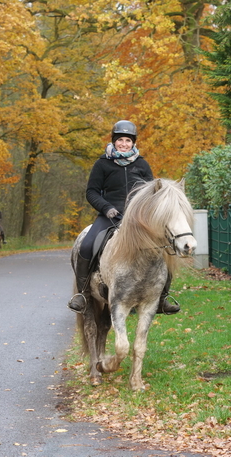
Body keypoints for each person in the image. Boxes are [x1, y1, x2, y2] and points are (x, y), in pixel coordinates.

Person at [67, 120, 180, 315]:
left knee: (164, 248)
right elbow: (92, 192)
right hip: (109, 216)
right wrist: (106, 208)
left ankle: (162, 297)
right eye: (120, 140)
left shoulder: (142, 164)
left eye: (128, 140)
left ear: (133, 142)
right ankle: (83, 294)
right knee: (86, 245)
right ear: (114, 141)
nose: (124, 144)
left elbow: (151, 193)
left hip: (138, 220)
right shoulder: (102, 164)